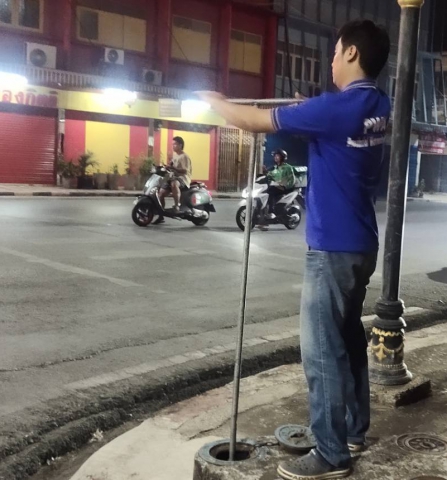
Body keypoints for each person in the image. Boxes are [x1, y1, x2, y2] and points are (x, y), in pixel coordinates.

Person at [197, 19, 390, 480]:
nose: (331, 60)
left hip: (332, 247)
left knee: (322, 351)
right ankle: (354, 431)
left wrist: (215, 101)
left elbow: (253, 120)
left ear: (351, 53)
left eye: (335, 51)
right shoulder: (378, 104)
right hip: (361, 242)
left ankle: (331, 454)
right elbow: (327, 127)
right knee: (348, 340)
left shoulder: (335, 108)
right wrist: (309, 110)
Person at [160, 136, 192, 213]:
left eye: (175, 144)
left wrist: (173, 168)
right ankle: (161, 212)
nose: (173, 146)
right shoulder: (175, 156)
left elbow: (185, 170)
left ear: (180, 145)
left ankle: (177, 205)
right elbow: (171, 166)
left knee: (174, 183)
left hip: (183, 178)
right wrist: (166, 167)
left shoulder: (184, 156)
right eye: (172, 144)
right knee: (161, 193)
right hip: (174, 178)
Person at [265, 150, 297, 218]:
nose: (275, 157)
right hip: (276, 187)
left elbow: (292, 180)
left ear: (283, 157)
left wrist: (284, 186)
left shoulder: (288, 168)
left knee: (271, 191)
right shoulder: (274, 168)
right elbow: (269, 176)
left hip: (285, 188)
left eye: (277, 156)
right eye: (275, 156)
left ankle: (271, 211)